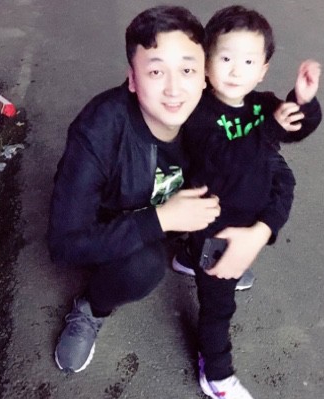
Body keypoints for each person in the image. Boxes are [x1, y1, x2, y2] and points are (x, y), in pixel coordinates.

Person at [48, 6, 221, 375]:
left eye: (187, 70)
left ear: (205, 76)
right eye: (156, 71)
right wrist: (160, 220)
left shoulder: (211, 113)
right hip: (115, 229)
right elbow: (64, 244)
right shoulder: (98, 129)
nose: (174, 89)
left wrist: (259, 231)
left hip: (176, 211)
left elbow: (271, 166)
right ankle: (91, 308)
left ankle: (193, 251)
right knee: (142, 268)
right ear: (132, 79)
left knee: (244, 179)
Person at [176, 6, 322, 399]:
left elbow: (292, 127)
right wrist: (269, 130)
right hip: (213, 225)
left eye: (248, 61)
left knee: (212, 274)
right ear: (206, 63)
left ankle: (187, 259)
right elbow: (226, 160)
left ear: (262, 70)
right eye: (225, 58)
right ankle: (216, 375)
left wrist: (304, 102)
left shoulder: (261, 105)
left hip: (245, 213)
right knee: (218, 306)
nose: (235, 70)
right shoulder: (198, 112)